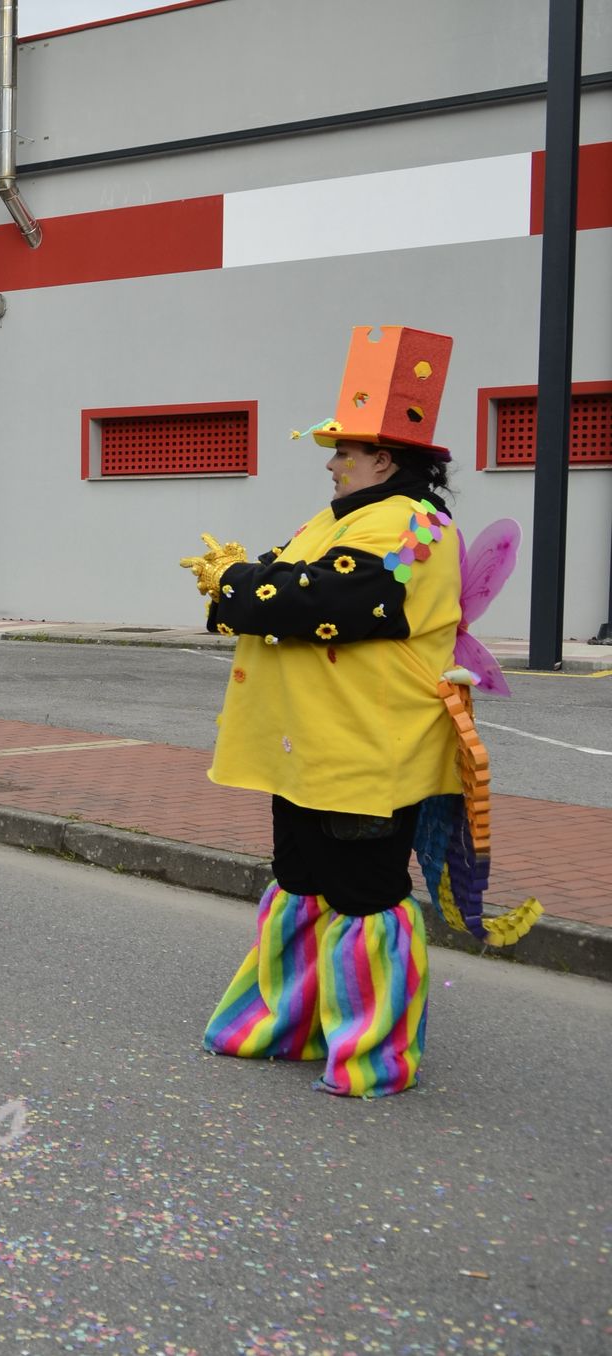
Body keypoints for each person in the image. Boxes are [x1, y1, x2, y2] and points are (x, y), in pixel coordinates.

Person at [184, 325, 538, 1098]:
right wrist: (235, 587)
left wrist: (234, 585)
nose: (331, 461)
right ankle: (288, 1023)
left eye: (343, 450)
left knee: (365, 896)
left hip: (367, 753)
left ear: (386, 459)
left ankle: (373, 1052)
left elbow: (334, 599)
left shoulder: (414, 524)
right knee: (301, 880)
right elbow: (267, 585)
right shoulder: (335, 518)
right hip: (306, 746)